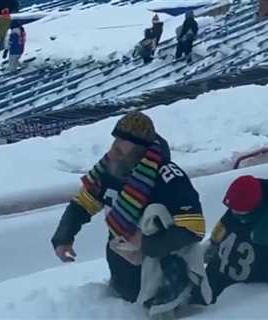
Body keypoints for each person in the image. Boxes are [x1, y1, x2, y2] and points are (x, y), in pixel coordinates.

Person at [51, 112, 207, 312]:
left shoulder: (168, 177)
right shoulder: (111, 168)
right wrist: (64, 236)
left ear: (140, 151)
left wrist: (146, 244)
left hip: (160, 278)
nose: (114, 149)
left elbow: (194, 227)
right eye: (115, 141)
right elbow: (83, 203)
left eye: (122, 145)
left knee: (154, 212)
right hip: (121, 269)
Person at [193, 175, 268, 304]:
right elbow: (217, 235)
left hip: (240, 295)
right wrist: (207, 249)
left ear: (253, 207)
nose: (233, 212)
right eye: (231, 208)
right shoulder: (236, 212)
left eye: (238, 209)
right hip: (216, 277)